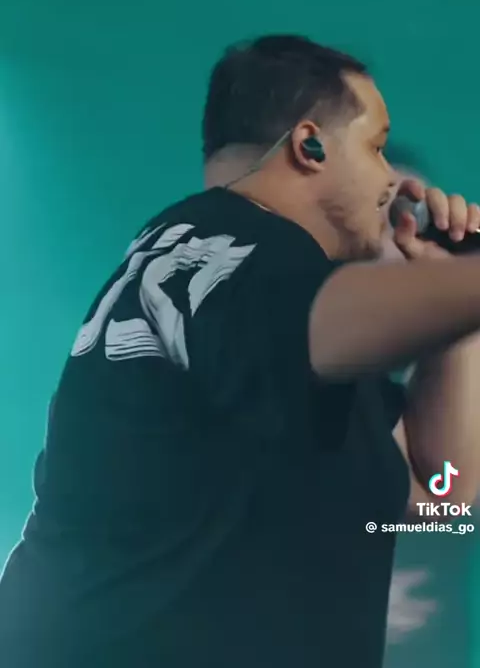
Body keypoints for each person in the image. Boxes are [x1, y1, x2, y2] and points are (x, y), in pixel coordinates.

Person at [1, 34, 480, 668]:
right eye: (376, 147)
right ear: (310, 146)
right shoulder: (231, 255)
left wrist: (457, 289)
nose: (392, 180)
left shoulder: (242, 299)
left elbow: (442, 498)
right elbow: (324, 312)